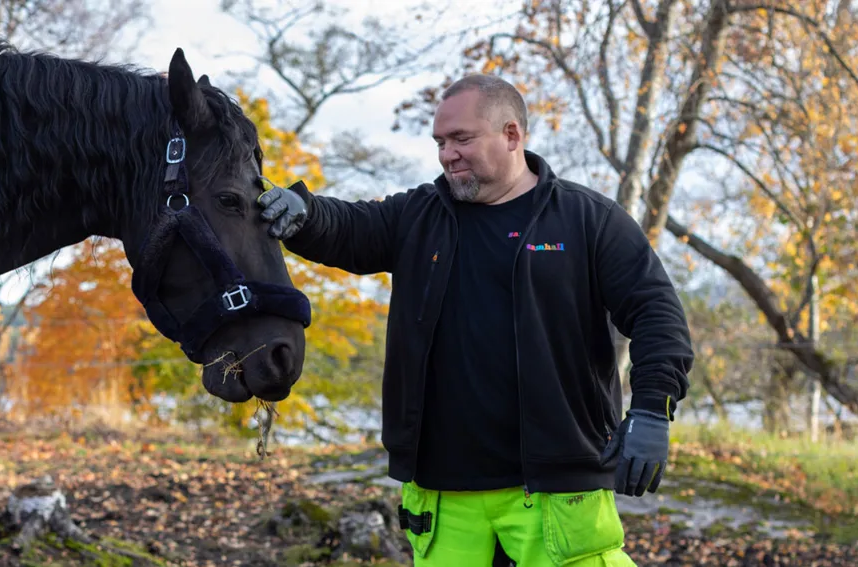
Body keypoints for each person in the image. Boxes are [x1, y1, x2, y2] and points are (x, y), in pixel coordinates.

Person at [256, 73, 694, 566]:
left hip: (556, 489)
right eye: (441, 142)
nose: (447, 154)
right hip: (443, 497)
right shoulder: (419, 214)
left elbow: (658, 314)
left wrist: (653, 408)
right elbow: (349, 227)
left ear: (512, 135)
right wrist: (302, 211)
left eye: (462, 139)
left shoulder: (587, 219)